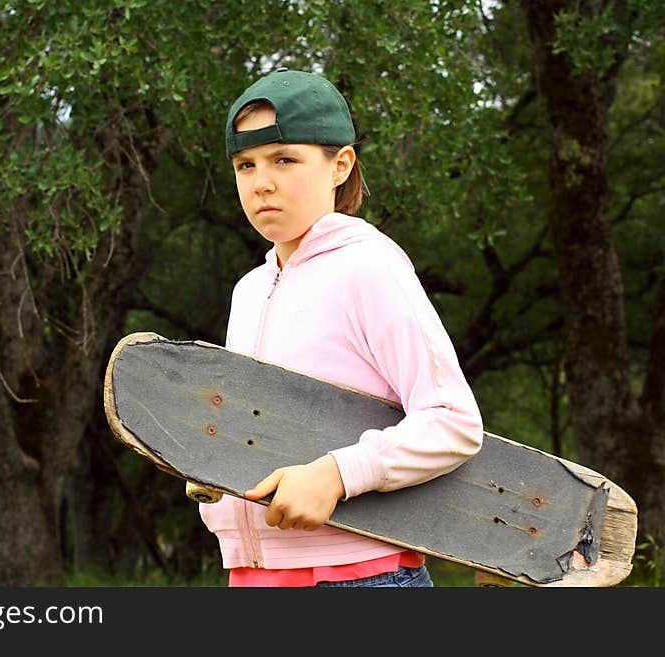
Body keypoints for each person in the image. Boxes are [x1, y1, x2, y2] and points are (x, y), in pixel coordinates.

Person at [198, 67, 485, 587]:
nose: (262, 181)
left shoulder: (368, 269)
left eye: (285, 159)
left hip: (361, 578)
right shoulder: (248, 291)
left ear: (340, 165)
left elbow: (453, 421)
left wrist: (335, 475)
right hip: (253, 576)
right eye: (246, 165)